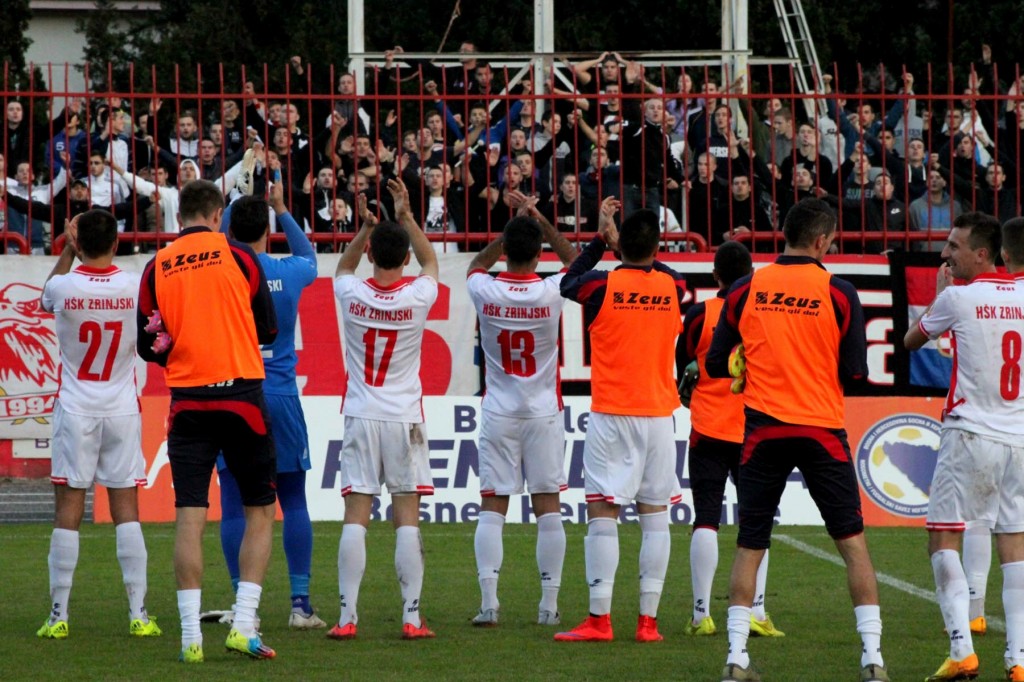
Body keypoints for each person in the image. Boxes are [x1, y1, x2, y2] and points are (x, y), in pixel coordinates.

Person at [705, 198, 887, 682]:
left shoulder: (746, 287)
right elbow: (857, 372)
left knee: (750, 544)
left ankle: (737, 658)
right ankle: (873, 659)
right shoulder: (840, 292)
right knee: (852, 545)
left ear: (785, 234)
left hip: (763, 430)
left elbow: (717, 363)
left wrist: (755, 362)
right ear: (822, 241)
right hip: (821, 430)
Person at [137, 179, 278, 663]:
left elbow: (147, 344)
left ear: (180, 217)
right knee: (260, 509)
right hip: (241, 394)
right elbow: (269, 329)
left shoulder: (156, 267)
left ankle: (189, 640)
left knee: (189, 517)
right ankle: (243, 624)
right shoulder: (239, 258)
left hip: (188, 401)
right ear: (218, 215)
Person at [555, 200, 690, 644]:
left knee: (603, 513)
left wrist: (600, 240)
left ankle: (599, 619)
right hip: (658, 416)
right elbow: (666, 273)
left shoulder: (601, 286)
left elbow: (568, 281)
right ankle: (648, 623)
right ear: (655, 248)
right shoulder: (673, 287)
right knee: (655, 518)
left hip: (613, 412)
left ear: (619, 245)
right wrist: (631, 247)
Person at [904, 212, 1024, 682]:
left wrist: (938, 296)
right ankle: (1017, 662)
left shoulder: (957, 296)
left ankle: (961, 650)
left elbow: (913, 341)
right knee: (1013, 545)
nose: (946, 254)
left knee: (943, 536)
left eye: (955, 247)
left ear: (982, 254)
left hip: (970, 431)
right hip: (1018, 437)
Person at [37, 210, 160, 640]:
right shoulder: (133, 284)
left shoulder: (62, 284)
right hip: (122, 408)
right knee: (127, 513)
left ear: (77, 240)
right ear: (118, 242)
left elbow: (44, 299)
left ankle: (58, 616)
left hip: (76, 408)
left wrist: (68, 251)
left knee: (68, 512)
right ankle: (138, 613)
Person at [328, 178, 439, 641]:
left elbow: (342, 267)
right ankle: (411, 618)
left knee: (357, 512)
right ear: (405, 259)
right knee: (405, 515)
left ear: (371, 255)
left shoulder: (352, 294)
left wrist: (363, 230)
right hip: (403, 418)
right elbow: (432, 260)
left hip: (361, 411)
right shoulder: (418, 295)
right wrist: (408, 214)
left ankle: (346, 618)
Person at [213, 182, 324, 629]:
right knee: (293, 498)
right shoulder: (289, 270)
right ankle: (300, 606)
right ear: (267, 230)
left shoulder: (222, 268)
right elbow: (312, 258)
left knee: (235, 502)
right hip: (280, 392)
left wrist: (229, 211)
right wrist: (282, 208)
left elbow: (218, 244)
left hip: (233, 392)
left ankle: (246, 609)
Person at [465, 201, 578, 627]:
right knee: (548, 507)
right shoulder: (552, 290)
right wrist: (544, 224)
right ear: (538, 254)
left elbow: (477, 263)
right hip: (543, 411)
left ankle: (489, 604)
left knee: (493, 505)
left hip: (499, 409)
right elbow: (575, 261)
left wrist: (510, 234)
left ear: (507, 251)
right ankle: (548, 607)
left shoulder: (485, 289)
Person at [677, 241, 782, 639]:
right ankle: (756, 610)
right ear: (750, 273)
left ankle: (701, 613)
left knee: (706, 517)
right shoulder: (760, 310)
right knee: (755, 521)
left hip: (707, 426)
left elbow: (684, 365)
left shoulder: (700, 313)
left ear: (716, 275)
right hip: (753, 428)